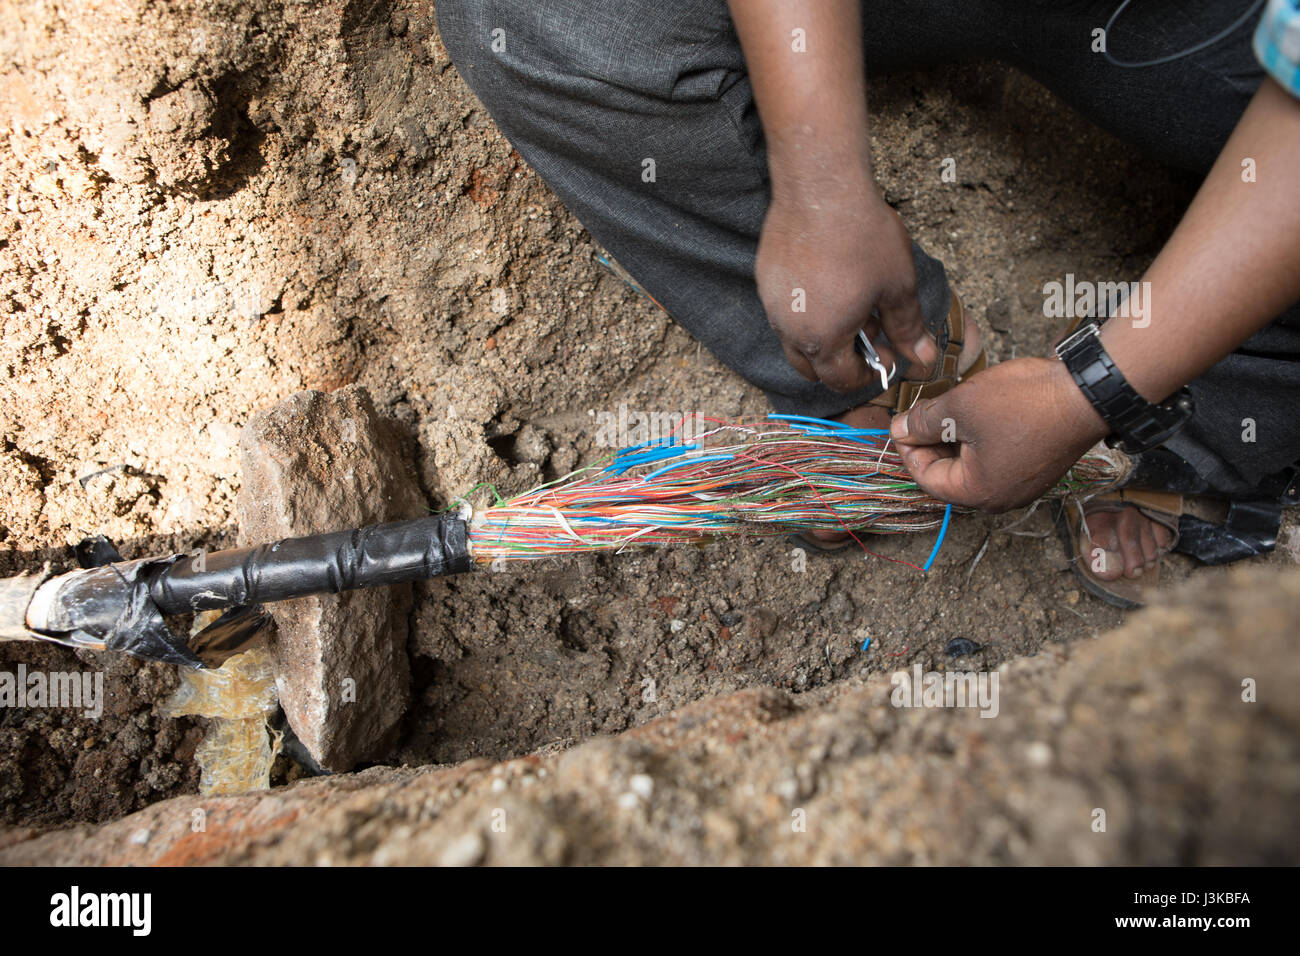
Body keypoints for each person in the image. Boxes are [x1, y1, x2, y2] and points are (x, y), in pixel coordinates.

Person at [436, 0, 1300, 606]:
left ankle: (1206, 407)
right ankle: (881, 366)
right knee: (533, 18)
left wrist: (1096, 388)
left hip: (1213, 30)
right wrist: (820, 182)